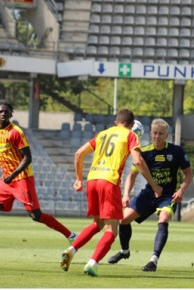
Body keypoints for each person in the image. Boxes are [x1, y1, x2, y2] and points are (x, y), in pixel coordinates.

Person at [60, 109, 163, 277]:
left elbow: (79, 153)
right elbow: (138, 160)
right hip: (109, 182)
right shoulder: (130, 136)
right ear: (131, 125)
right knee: (111, 231)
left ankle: (71, 249)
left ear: (116, 122)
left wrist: (79, 179)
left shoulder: (102, 134)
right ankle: (92, 263)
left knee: (97, 224)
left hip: (92, 181)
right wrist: (154, 185)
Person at [0, 103, 76, 262]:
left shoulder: (16, 132)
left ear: (10, 114)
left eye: (6, 112)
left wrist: (13, 174)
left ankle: (70, 235)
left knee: (36, 215)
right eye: (0, 111)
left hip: (22, 178)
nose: (3, 114)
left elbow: (28, 158)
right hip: (6, 180)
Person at [107, 118, 194, 272]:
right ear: (150, 133)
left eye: (161, 133)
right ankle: (124, 251)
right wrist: (125, 194)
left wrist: (180, 191)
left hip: (167, 195)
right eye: (154, 133)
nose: (157, 136)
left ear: (166, 135)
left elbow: (188, 174)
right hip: (149, 193)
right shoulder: (144, 152)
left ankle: (153, 260)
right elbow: (131, 176)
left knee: (164, 218)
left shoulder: (176, 151)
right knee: (124, 219)